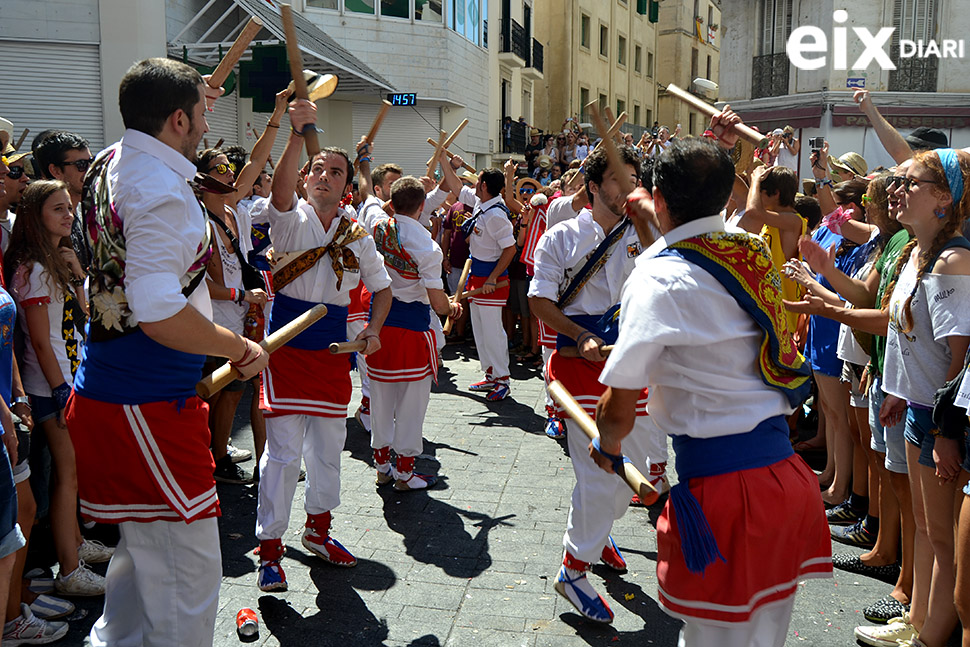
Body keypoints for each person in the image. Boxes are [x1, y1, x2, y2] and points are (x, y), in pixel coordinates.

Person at [593, 115, 831, 646]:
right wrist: (648, 225)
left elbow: (618, 405)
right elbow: (689, 255)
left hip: (729, 496)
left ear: (657, 196)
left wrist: (606, 444)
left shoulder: (655, 279)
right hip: (784, 481)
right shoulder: (747, 253)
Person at [66, 58, 269, 647]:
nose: (209, 124)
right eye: (203, 112)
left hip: (114, 391)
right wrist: (239, 344)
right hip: (147, 401)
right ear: (179, 118)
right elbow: (157, 311)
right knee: (187, 568)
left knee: (141, 552)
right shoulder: (162, 191)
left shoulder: (111, 160)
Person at [254, 95, 392, 592]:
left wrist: (373, 330)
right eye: (318, 169)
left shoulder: (358, 235)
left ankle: (318, 530)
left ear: (348, 182)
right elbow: (282, 191)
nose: (324, 176)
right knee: (284, 454)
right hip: (287, 350)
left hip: (334, 354)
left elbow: (382, 288)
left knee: (329, 451)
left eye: (336, 171)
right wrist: (296, 133)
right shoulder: (291, 220)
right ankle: (269, 550)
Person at [529, 145, 668, 623]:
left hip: (633, 367)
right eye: (617, 178)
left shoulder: (646, 234)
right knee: (600, 474)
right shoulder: (561, 235)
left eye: (634, 177)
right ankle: (572, 570)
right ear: (592, 186)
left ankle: (599, 529)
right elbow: (540, 300)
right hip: (577, 371)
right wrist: (580, 334)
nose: (627, 186)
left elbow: (668, 276)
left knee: (636, 479)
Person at [365, 176, 460, 490]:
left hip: (378, 328)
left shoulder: (377, 225)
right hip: (411, 332)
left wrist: (366, 166)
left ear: (392, 203)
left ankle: (381, 467)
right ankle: (404, 474)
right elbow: (438, 303)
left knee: (379, 399)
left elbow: (369, 200)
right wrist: (452, 308)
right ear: (423, 206)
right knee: (411, 406)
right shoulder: (427, 246)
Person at [456, 168, 517, 402]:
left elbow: (510, 249)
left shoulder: (496, 215)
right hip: (477, 277)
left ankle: (503, 379)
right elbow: (455, 188)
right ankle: (490, 374)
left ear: (483, 186)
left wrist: (493, 278)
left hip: (493, 280)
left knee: (493, 333)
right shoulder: (483, 204)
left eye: (477, 181)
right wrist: (445, 161)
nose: (474, 185)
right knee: (480, 332)